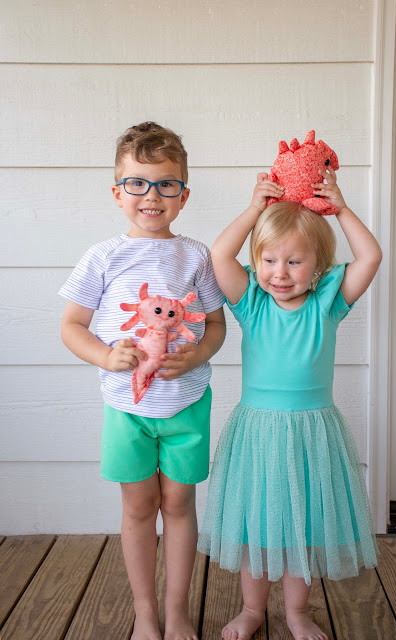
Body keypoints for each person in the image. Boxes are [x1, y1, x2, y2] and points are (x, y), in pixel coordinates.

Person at [198, 167, 382, 640]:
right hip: (258, 432)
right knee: (257, 523)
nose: (280, 273)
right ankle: (252, 610)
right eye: (269, 261)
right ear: (256, 263)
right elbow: (220, 253)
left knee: (303, 526)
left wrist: (340, 209)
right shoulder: (251, 303)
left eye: (295, 263)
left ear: (318, 267)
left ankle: (298, 612)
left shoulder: (328, 301)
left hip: (312, 432)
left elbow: (370, 255)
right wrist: (255, 209)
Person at [59, 122, 226, 640]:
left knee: (178, 504)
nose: (151, 195)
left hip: (186, 403)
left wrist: (196, 351)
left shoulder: (197, 256)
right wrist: (107, 357)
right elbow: (71, 326)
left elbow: (216, 325)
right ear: (118, 192)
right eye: (137, 183)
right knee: (138, 507)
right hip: (126, 407)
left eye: (165, 184)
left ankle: (177, 613)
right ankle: (146, 615)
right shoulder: (103, 257)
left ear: (183, 195)